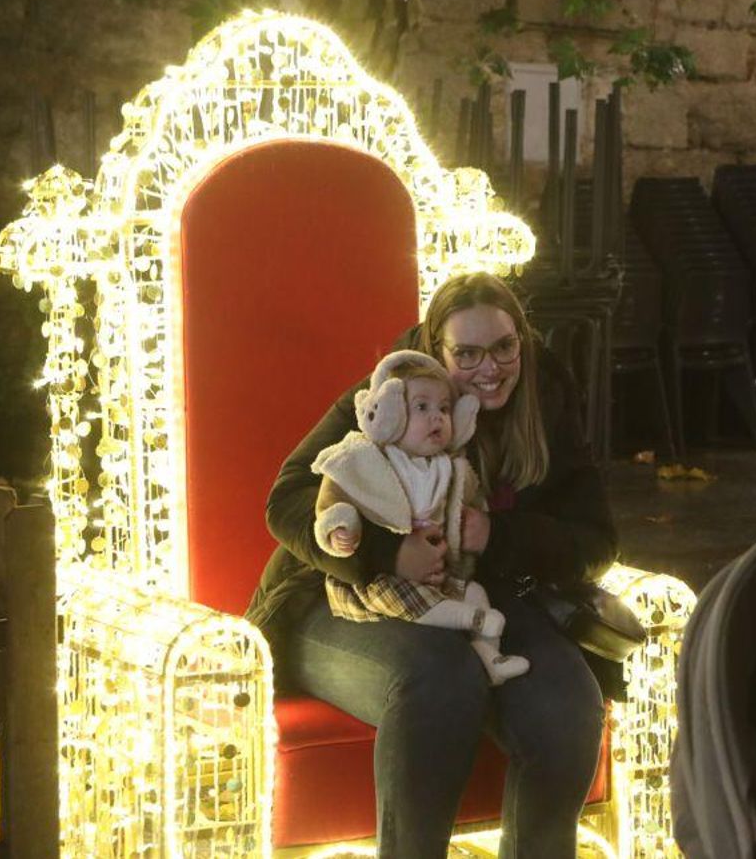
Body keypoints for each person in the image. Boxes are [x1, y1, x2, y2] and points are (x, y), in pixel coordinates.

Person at [246, 272, 617, 857]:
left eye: (503, 347)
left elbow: (597, 540)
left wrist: (498, 534)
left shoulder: (545, 398)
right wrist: (386, 551)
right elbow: (287, 499)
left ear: (522, 340)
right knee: (441, 678)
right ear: (434, 348)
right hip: (336, 598)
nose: (489, 368)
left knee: (567, 706)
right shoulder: (391, 395)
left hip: (477, 597)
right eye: (466, 353)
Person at [311, 349, 528, 685]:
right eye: (422, 408)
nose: (437, 418)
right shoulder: (366, 458)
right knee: (407, 600)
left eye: (444, 408)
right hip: (382, 579)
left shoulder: (451, 467)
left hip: (439, 575)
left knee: (474, 591)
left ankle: (491, 656)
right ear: (389, 414)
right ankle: (473, 619)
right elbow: (334, 496)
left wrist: (480, 524)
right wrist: (339, 525)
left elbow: (473, 501)